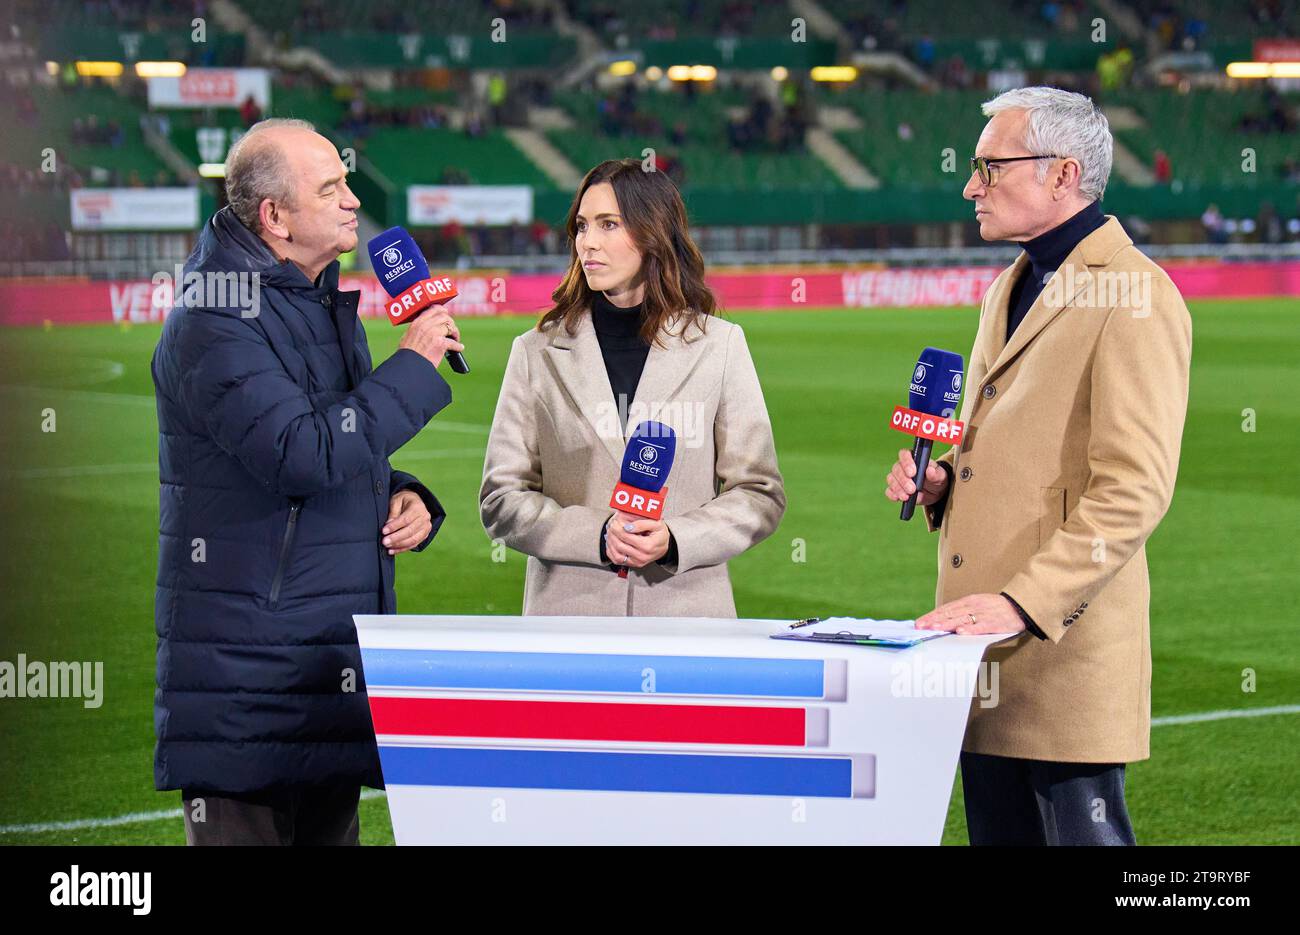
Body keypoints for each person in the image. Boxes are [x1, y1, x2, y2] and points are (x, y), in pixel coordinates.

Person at [885, 87, 1192, 845]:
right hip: (982, 652)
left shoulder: (1136, 295)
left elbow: (1134, 488)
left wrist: (1022, 604)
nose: (970, 186)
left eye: (990, 167)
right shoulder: (1012, 283)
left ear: (1061, 174)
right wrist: (943, 482)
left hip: (1058, 652)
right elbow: (1011, 452)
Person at [151, 118, 465, 845]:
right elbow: (300, 451)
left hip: (323, 675)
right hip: (250, 694)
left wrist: (403, 494)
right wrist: (412, 367)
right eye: (332, 187)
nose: (354, 200)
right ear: (275, 217)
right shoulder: (216, 315)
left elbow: (335, 443)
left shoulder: (317, 301)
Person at [480, 158, 785, 617]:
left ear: (653, 233)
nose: (589, 243)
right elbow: (501, 499)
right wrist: (597, 535)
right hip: (569, 623)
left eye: (609, 225)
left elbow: (759, 493)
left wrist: (677, 538)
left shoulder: (721, 346)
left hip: (687, 622)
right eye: (582, 227)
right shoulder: (535, 351)